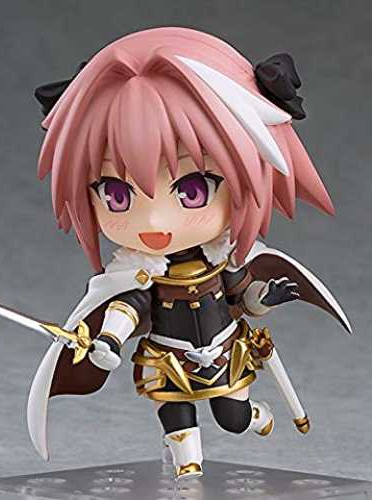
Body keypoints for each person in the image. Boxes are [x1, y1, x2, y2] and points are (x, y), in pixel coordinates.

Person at [29, 27, 351, 480]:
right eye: (117, 195)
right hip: (168, 357)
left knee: (233, 418)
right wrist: (108, 341)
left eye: (192, 189)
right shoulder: (139, 273)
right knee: (177, 420)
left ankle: (253, 418)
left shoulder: (221, 258)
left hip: (222, 351)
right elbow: (128, 306)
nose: (155, 221)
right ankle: (187, 472)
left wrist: (265, 297)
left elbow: (240, 294)